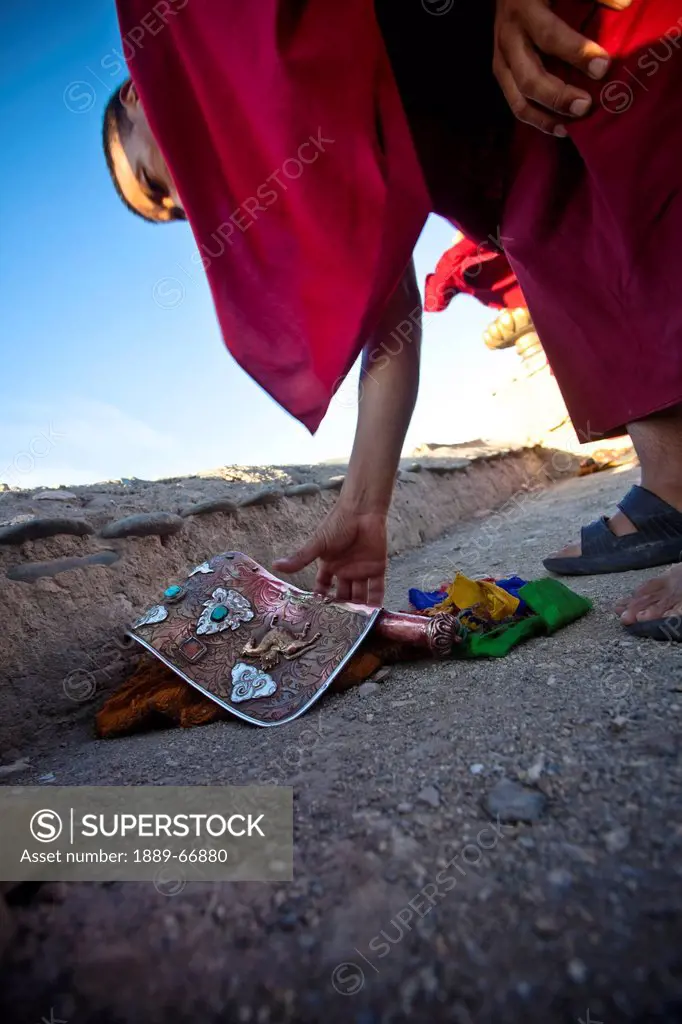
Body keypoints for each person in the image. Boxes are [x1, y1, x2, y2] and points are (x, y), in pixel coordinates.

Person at [104, 0, 682, 639]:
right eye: (173, 216)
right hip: (511, 128)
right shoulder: (281, 155)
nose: (182, 203)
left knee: (642, 137)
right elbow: (393, 318)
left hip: (560, 29)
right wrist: (362, 506)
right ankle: (674, 485)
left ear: (137, 92)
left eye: (152, 186)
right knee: (561, 229)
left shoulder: (218, 33)